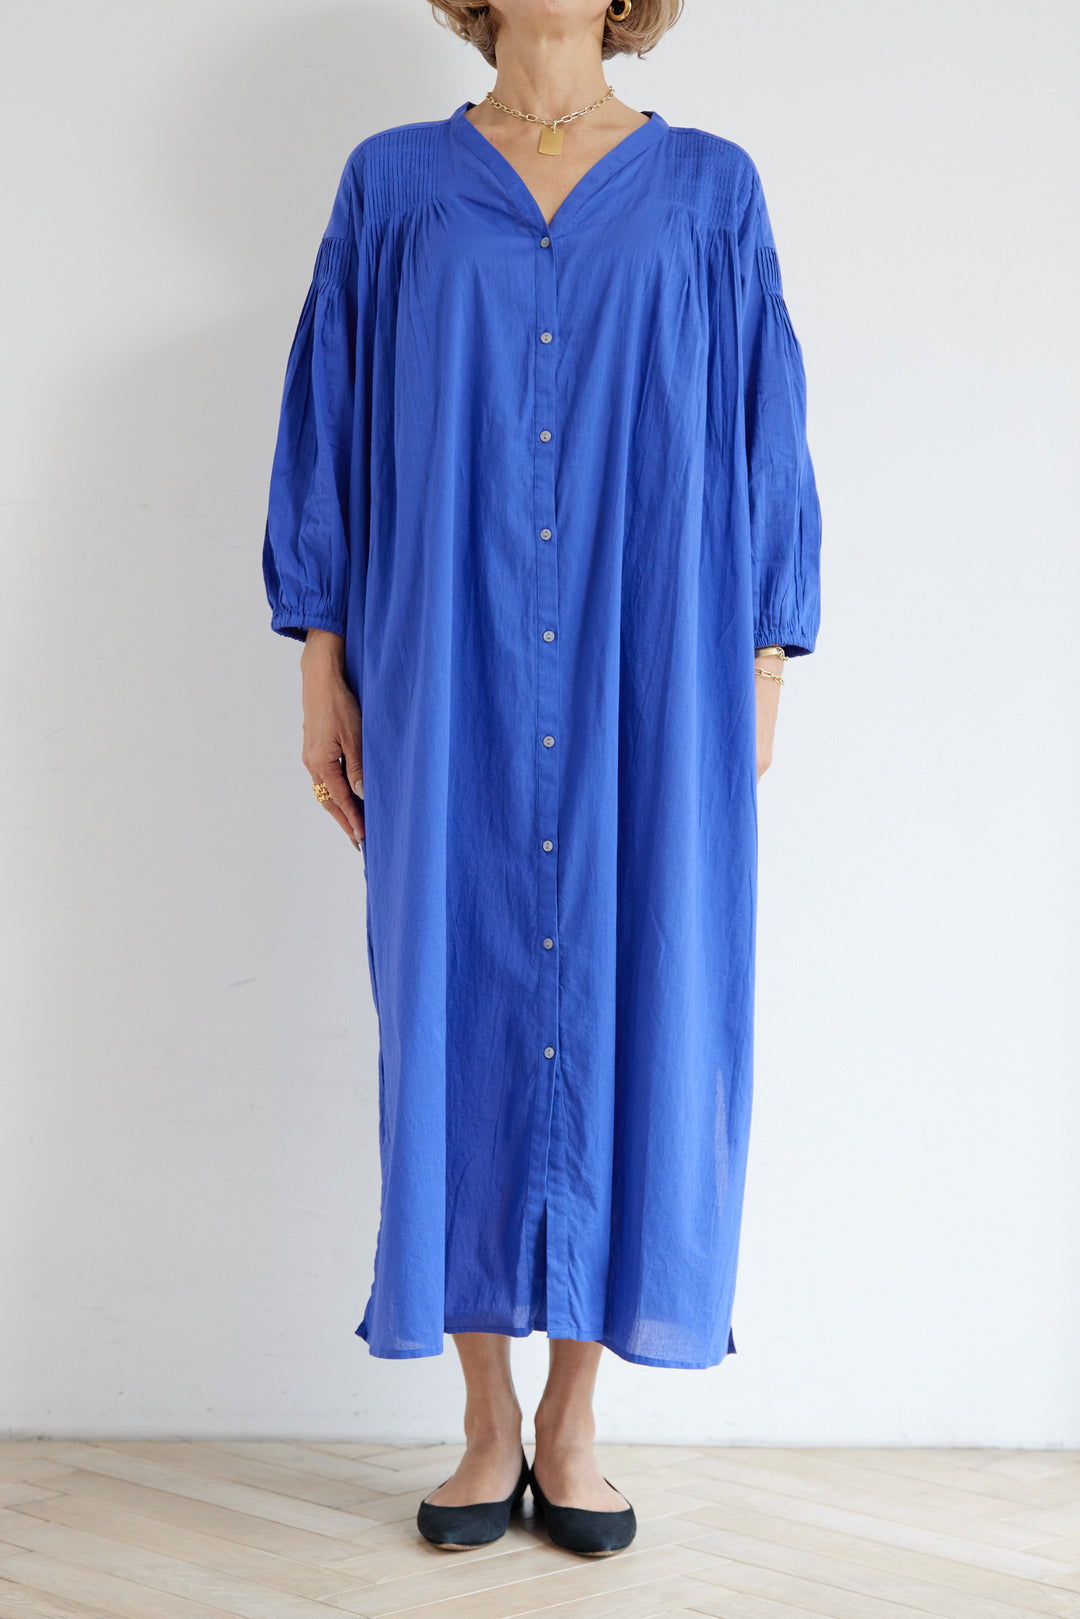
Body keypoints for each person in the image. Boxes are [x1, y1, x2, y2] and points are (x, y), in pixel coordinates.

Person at [261, 0, 822, 1559]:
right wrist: (319, 660)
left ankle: (574, 1420)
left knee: (643, 1003)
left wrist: (766, 660)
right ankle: (484, 1419)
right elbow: (329, 418)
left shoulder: (710, 188)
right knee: (450, 1005)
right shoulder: (394, 183)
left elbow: (767, 420)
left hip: (657, 666)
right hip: (444, 664)